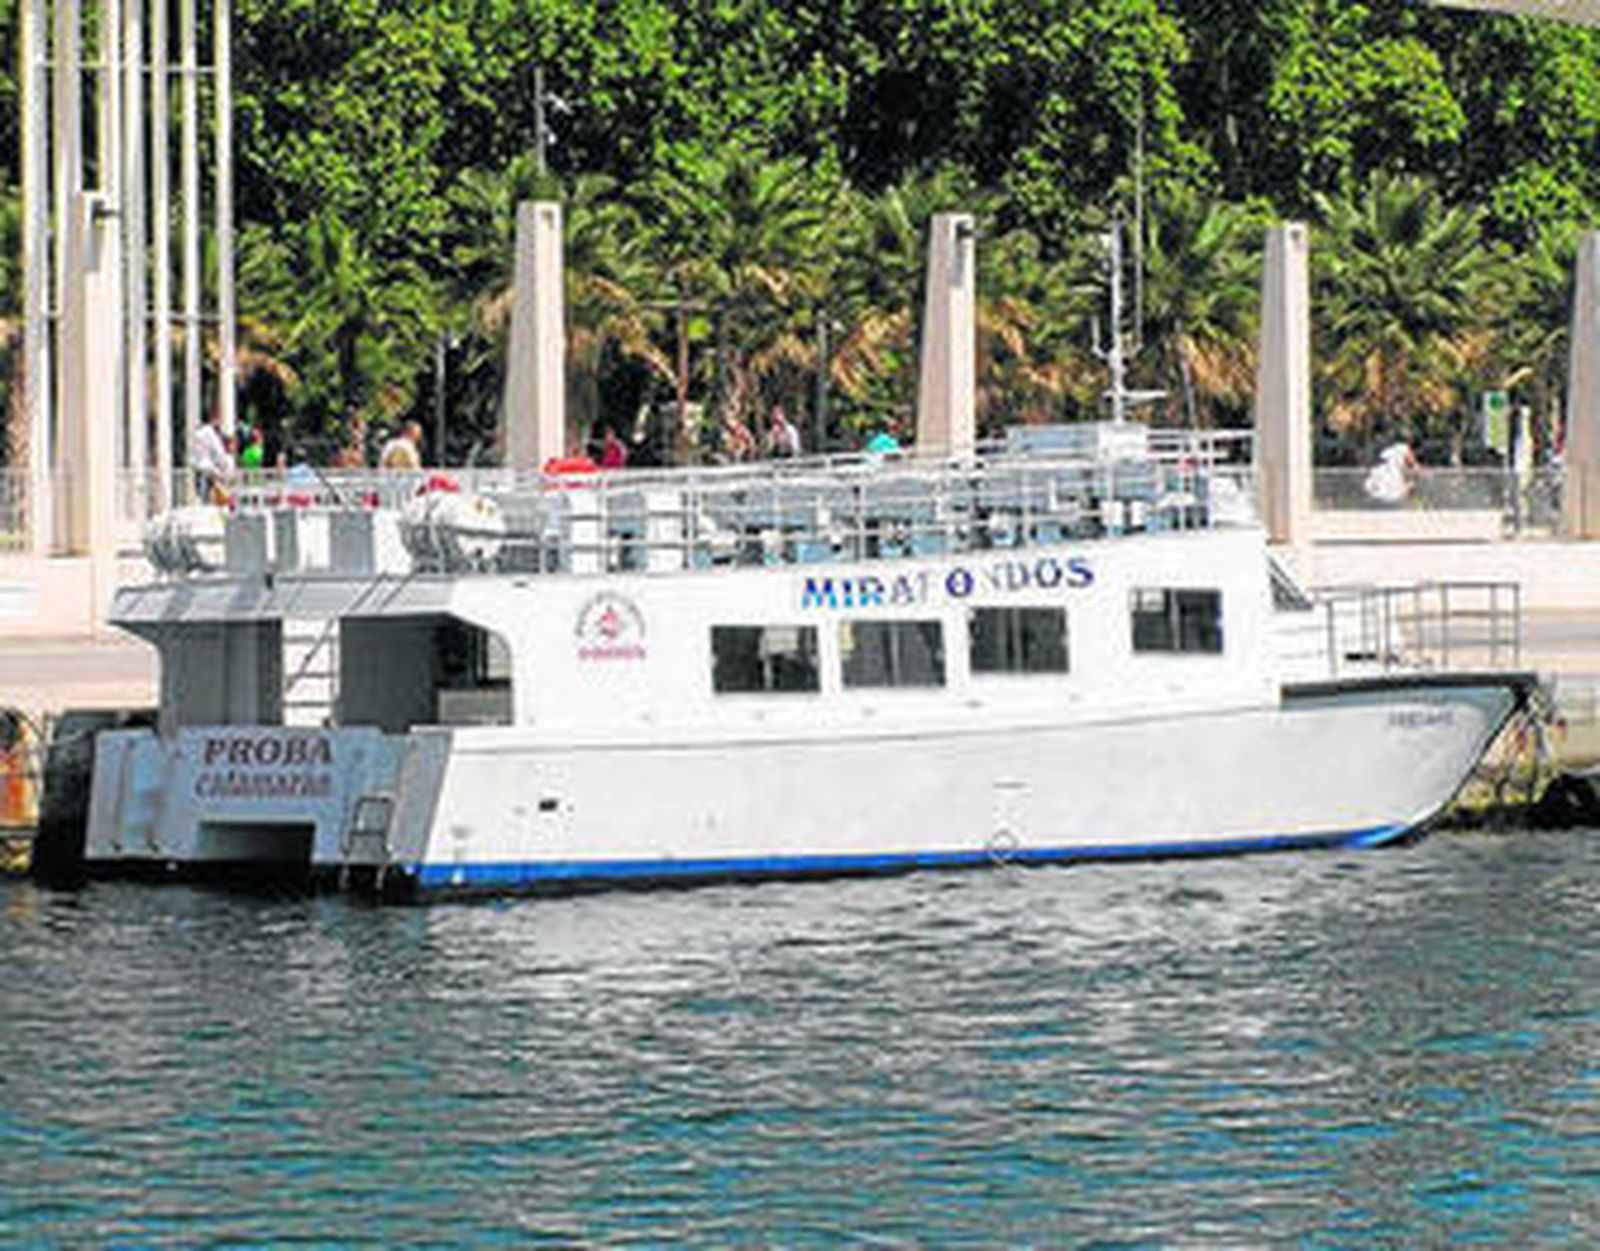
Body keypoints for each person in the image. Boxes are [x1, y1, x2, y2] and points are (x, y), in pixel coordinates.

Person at [190, 411, 234, 504]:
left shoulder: (198, 432)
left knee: (202, 492)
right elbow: (218, 451)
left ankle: (203, 501)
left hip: (199, 467)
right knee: (209, 494)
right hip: (207, 469)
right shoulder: (209, 433)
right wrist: (223, 467)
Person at [1364, 434, 1418, 505]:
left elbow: (1373, 465)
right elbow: (1415, 467)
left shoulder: (1388, 450)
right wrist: (1413, 481)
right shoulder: (1404, 448)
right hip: (1388, 482)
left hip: (1376, 479)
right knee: (1402, 491)